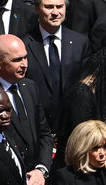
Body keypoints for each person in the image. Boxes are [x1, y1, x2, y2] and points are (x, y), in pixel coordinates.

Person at [0, 34, 54, 185]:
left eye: (25, 57)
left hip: (37, 182)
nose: (25, 64)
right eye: (17, 60)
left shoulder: (30, 87)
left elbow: (44, 134)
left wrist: (40, 170)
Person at [22, 0, 91, 134]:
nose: (55, 12)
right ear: (36, 9)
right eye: (49, 7)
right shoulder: (24, 44)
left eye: (59, 6)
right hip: (36, 126)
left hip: (72, 126)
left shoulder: (80, 42)